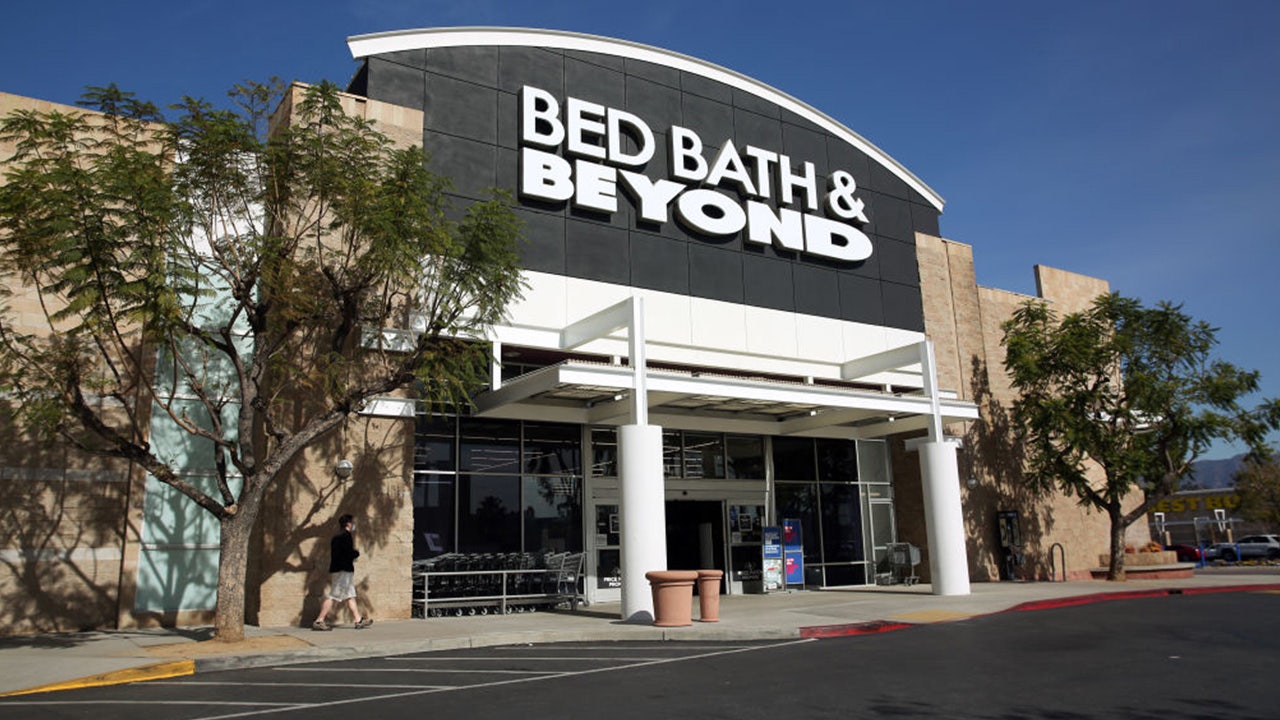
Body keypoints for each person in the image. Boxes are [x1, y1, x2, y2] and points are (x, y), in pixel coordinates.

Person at [311, 514, 372, 630]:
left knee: (350, 595)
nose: (354, 525)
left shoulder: (337, 536)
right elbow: (347, 553)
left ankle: (358, 620)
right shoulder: (346, 536)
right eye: (352, 523)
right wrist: (355, 553)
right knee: (334, 595)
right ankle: (319, 620)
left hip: (340, 570)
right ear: (348, 524)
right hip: (343, 570)